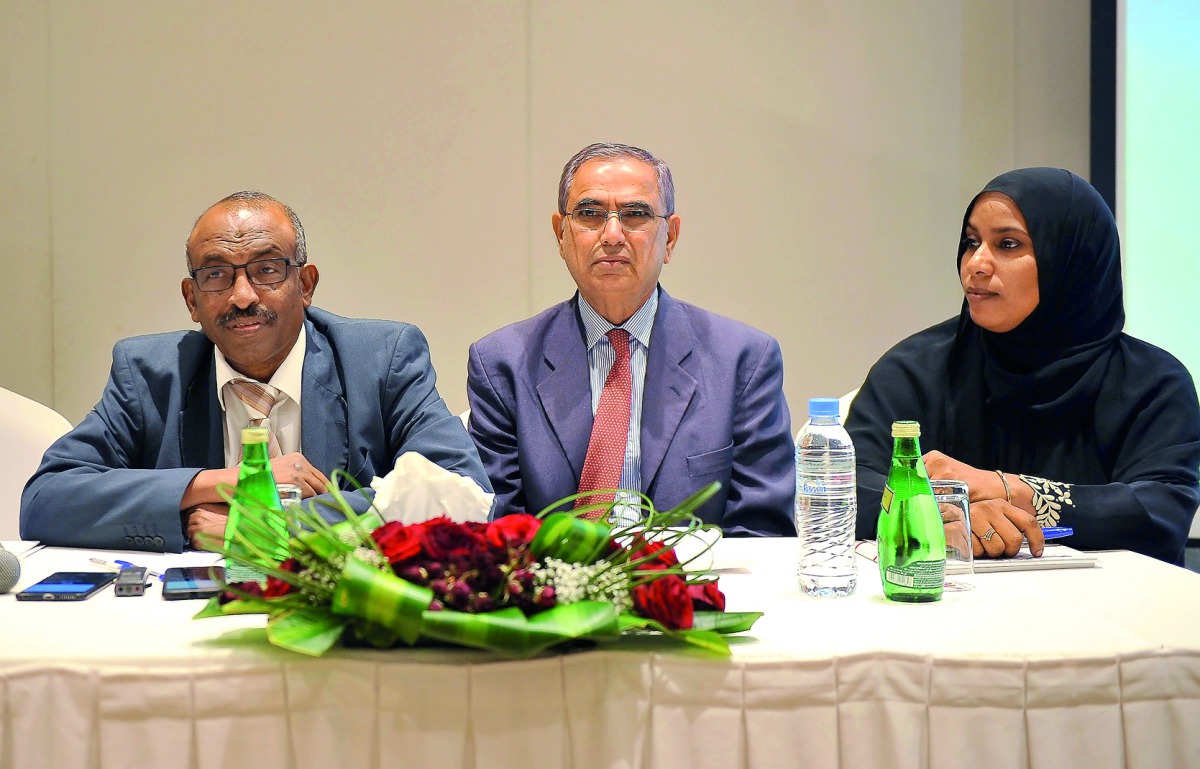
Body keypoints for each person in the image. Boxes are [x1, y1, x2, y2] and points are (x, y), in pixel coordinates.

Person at [21, 191, 490, 552]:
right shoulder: (149, 374)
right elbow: (47, 499)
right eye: (217, 274)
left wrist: (267, 527)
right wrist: (215, 482)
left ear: (305, 285)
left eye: (266, 270)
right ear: (192, 299)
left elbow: (460, 490)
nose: (242, 296)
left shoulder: (380, 359)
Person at [847, 167, 1200, 565]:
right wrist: (945, 513)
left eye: (1009, 244)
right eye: (971, 241)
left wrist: (1007, 489)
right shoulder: (917, 368)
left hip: (1110, 609)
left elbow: (1160, 511)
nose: (976, 264)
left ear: (1070, 260)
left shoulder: (1153, 383)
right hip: (949, 608)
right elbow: (849, 483)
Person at [467, 142, 794, 536]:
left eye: (636, 214)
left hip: (694, 589)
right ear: (560, 234)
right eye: (590, 214)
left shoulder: (743, 359)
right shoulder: (502, 363)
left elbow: (761, 534)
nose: (612, 235)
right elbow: (499, 531)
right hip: (557, 591)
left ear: (669, 237)